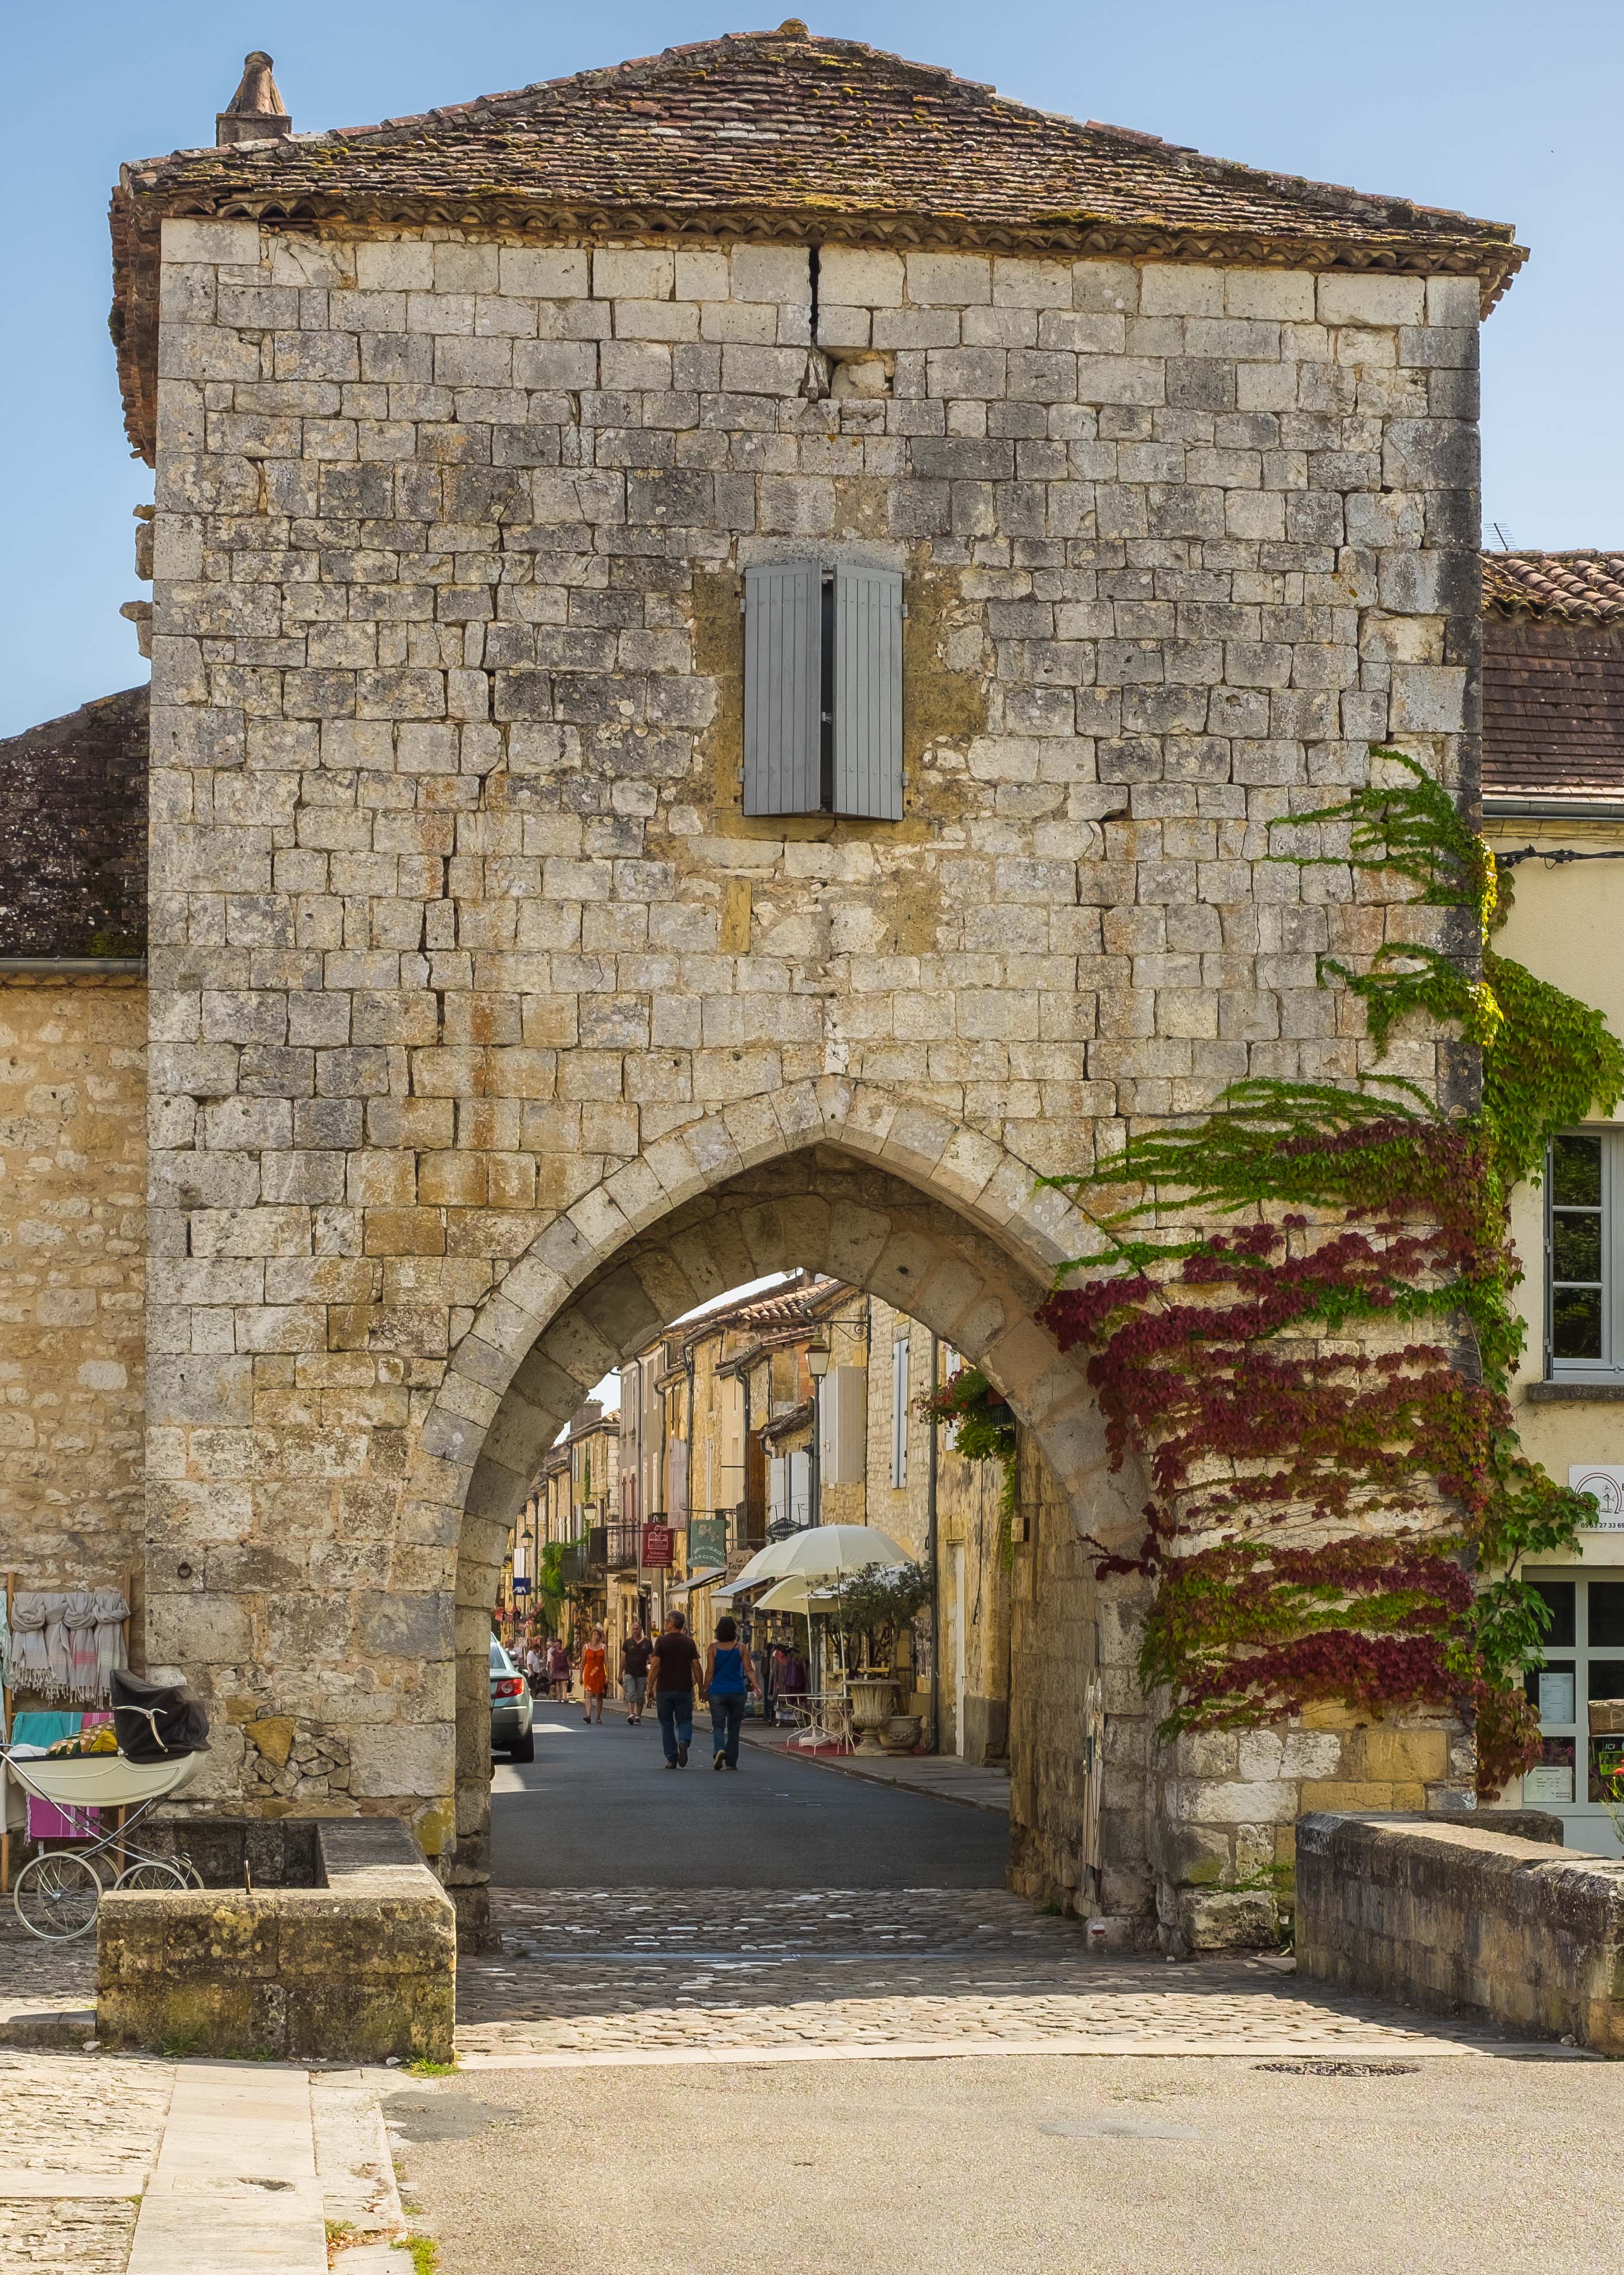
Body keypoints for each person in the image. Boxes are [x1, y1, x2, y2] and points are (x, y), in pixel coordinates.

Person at [703, 1615, 759, 1771]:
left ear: (718, 1631)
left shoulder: (713, 1649)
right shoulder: (741, 1648)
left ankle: (719, 1749)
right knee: (734, 1728)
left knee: (718, 1725)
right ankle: (731, 1762)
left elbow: (710, 1671)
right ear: (734, 1631)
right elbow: (749, 1670)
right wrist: (756, 1686)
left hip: (718, 1691)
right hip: (737, 1691)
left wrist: (704, 1689)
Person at [650, 1610, 702, 1769]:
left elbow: (656, 1665)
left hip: (665, 1689)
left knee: (666, 1724)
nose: (664, 1623)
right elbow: (696, 1666)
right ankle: (684, 1741)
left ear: (672, 1624)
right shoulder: (689, 1642)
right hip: (684, 1688)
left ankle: (672, 1759)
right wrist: (702, 1687)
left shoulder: (661, 1641)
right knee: (685, 1720)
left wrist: (649, 1686)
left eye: (666, 1621)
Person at [622, 1622, 652, 1725]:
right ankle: (631, 1714)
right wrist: (620, 1672)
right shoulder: (627, 1643)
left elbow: (651, 1658)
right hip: (630, 1672)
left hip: (642, 1673)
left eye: (637, 1629)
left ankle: (638, 1716)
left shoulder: (647, 1643)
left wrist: (651, 1672)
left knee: (640, 1695)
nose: (635, 1631)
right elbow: (623, 1658)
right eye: (634, 1629)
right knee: (631, 1693)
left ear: (641, 1629)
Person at [580, 1626, 608, 1724]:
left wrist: (607, 1675)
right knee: (588, 1694)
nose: (596, 1636)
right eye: (594, 1634)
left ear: (600, 1637)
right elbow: (583, 1662)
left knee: (599, 1695)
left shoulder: (603, 1647)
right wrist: (581, 1675)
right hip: (589, 1674)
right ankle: (588, 1715)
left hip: (600, 1673)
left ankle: (598, 1717)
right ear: (591, 1636)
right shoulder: (586, 1647)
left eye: (598, 1635)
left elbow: (606, 1662)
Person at [546, 1636, 570, 1702]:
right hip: (557, 1669)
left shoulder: (566, 1651)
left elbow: (568, 1660)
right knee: (558, 1683)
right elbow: (552, 1661)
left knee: (565, 1682)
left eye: (558, 1645)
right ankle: (559, 1697)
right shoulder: (554, 1652)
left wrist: (571, 1668)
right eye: (556, 1645)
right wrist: (551, 1670)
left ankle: (565, 1697)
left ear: (561, 1644)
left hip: (564, 1668)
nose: (557, 1646)